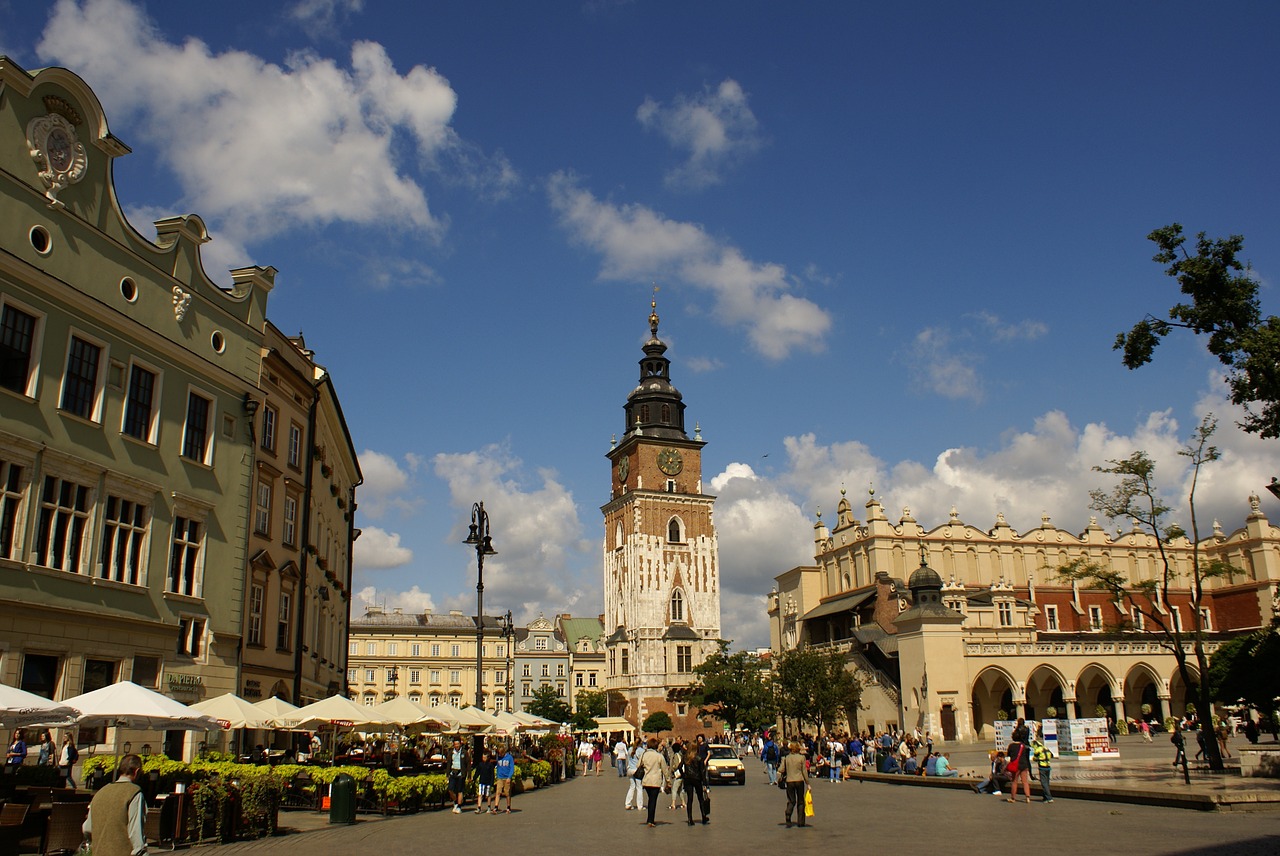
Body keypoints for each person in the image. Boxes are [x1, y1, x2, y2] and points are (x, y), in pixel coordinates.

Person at [82, 753, 146, 856]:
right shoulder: (134, 793)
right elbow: (135, 832)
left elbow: (87, 828)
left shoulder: (100, 793)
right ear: (137, 771)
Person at [639, 737, 669, 828]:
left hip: (646, 780)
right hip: (655, 781)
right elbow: (665, 770)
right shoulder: (659, 756)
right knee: (653, 800)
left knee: (650, 799)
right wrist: (668, 781)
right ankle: (651, 820)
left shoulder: (644, 755)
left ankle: (649, 819)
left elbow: (638, 765)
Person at [779, 740, 809, 828]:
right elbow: (804, 771)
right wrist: (808, 783)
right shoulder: (801, 758)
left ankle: (788, 813)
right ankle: (801, 822)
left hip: (789, 781)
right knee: (800, 801)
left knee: (791, 800)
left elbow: (781, 769)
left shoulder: (787, 758)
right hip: (799, 781)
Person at [677, 745, 708, 825]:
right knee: (700, 799)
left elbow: (679, 767)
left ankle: (690, 819)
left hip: (688, 779)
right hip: (697, 779)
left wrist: (683, 775)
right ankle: (704, 816)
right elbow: (702, 771)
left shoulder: (686, 757)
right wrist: (704, 782)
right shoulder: (699, 758)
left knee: (690, 799)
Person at [1006, 718, 1033, 804]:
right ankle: (1028, 798)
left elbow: (1009, 755)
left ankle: (1013, 798)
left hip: (1016, 765)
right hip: (1024, 764)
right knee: (1025, 782)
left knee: (1014, 782)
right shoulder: (1023, 746)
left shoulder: (1011, 746)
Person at [447, 736, 471, 814]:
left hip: (461, 773)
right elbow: (449, 763)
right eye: (455, 744)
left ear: (460, 744)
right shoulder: (451, 752)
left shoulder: (464, 752)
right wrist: (447, 774)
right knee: (450, 789)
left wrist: (469, 775)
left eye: (458, 744)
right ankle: (456, 802)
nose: (456, 746)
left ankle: (459, 806)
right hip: (453, 772)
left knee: (460, 790)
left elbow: (468, 764)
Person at [493, 743, 515, 813]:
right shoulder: (498, 757)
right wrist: (497, 774)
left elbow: (512, 768)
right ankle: (496, 807)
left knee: (507, 793)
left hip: (506, 777)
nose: (500, 755)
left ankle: (508, 807)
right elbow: (498, 766)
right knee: (498, 792)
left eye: (501, 753)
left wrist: (509, 777)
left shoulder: (509, 758)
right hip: (500, 777)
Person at [1031, 735, 1053, 802]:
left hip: (1042, 767)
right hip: (1048, 767)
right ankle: (1045, 797)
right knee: (1047, 782)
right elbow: (1052, 755)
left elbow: (1034, 758)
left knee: (1044, 783)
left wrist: (1038, 759)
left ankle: (1049, 798)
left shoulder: (1037, 750)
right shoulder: (1046, 748)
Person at [624, 739, 645, 811]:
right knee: (639, 788)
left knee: (632, 787)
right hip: (636, 770)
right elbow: (643, 760)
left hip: (630, 769)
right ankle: (640, 805)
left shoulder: (630, 749)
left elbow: (628, 759)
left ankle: (628, 803)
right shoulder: (640, 750)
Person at [475, 748, 496, 813]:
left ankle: (489, 807)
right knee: (480, 795)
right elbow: (477, 772)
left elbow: (492, 774)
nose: (483, 758)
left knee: (488, 795)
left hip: (488, 782)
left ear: (488, 758)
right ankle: (479, 807)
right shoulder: (480, 764)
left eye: (485, 757)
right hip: (482, 781)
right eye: (483, 757)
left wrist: (492, 782)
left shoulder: (490, 765)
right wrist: (474, 778)